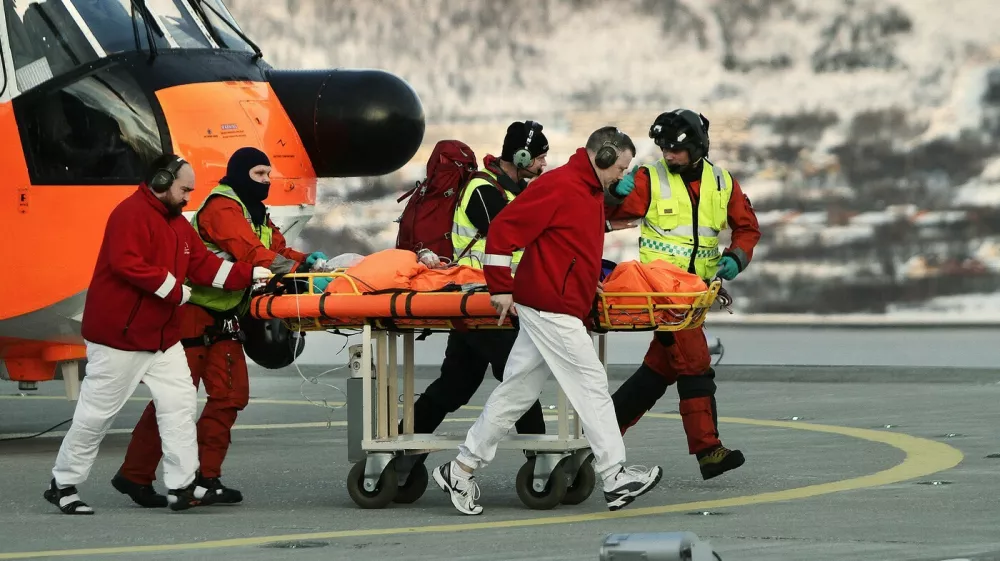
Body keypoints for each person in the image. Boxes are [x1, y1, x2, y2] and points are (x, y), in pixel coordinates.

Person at [432, 126, 663, 516]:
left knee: (516, 393)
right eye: (620, 167)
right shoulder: (560, 186)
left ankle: (461, 468)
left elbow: (572, 249)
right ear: (603, 156)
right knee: (590, 382)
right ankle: (615, 475)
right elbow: (504, 229)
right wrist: (500, 286)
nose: (622, 175)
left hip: (558, 302)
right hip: (549, 304)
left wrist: (590, 287)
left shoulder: (587, 192)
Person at [44, 154, 269, 515]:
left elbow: (205, 266)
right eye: (184, 190)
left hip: (163, 339)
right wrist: (175, 290)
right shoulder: (129, 214)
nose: (188, 198)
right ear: (162, 182)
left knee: (179, 407)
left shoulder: (179, 225)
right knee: (96, 416)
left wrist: (252, 274)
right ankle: (64, 483)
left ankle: (182, 486)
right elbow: (127, 262)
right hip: (120, 338)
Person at [112, 147, 337, 508]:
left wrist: (306, 261)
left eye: (269, 175)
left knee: (230, 396)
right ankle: (135, 475)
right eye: (259, 175)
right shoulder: (222, 208)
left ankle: (206, 479)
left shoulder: (255, 213)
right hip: (194, 314)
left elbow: (275, 249)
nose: (266, 182)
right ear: (240, 173)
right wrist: (295, 271)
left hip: (227, 315)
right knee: (175, 403)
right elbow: (250, 254)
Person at [604, 108, 761, 480]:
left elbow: (747, 228)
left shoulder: (723, 183)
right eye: (663, 149)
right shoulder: (649, 178)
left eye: (675, 150)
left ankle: (597, 436)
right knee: (694, 364)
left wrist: (737, 258)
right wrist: (612, 194)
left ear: (698, 146)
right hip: (663, 296)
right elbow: (606, 215)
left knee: (657, 372)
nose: (668, 156)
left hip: (694, 298)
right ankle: (709, 451)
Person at [396, 121, 551, 478]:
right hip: (480, 300)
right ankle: (543, 460)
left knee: (457, 383)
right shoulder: (484, 189)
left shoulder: (511, 190)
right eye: (539, 158)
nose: (543, 165)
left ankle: (403, 450)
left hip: (482, 304)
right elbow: (513, 235)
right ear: (521, 155)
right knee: (518, 375)